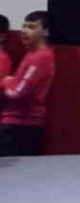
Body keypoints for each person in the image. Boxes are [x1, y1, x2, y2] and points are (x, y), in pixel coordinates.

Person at [0, 11, 55, 158]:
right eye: (24, 26)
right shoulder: (32, 55)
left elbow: (18, 92)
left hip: (22, 124)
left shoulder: (41, 57)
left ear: (46, 32)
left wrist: (5, 81)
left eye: (31, 27)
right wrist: (10, 81)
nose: (24, 31)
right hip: (18, 123)